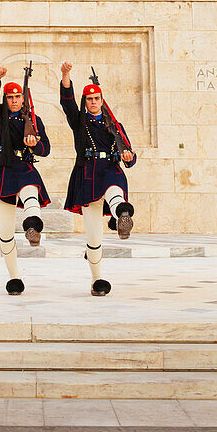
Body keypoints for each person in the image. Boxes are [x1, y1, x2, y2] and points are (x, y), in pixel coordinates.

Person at [60, 60, 136, 296]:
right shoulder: (79, 121)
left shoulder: (115, 125)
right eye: (89, 99)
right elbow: (67, 102)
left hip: (110, 169)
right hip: (88, 173)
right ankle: (97, 280)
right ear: (86, 102)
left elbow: (130, 159)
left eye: (97, 99)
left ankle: (122, 215)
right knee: (94, 236)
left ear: (102, 101)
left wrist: (128, 155)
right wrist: (65, 75)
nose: (93, 102)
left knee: (115, 191)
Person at [0, 64, 51, 295]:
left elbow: (45, 149)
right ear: (6, 99)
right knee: (5, 231)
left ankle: (32, 225)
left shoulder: (34, 120)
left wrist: (34, 145)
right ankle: (14, 277)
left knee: (31, 191)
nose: (15, 100)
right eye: (10, 97)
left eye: (18, 97)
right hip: (1, 165)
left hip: (23, 165)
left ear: (23, 98)